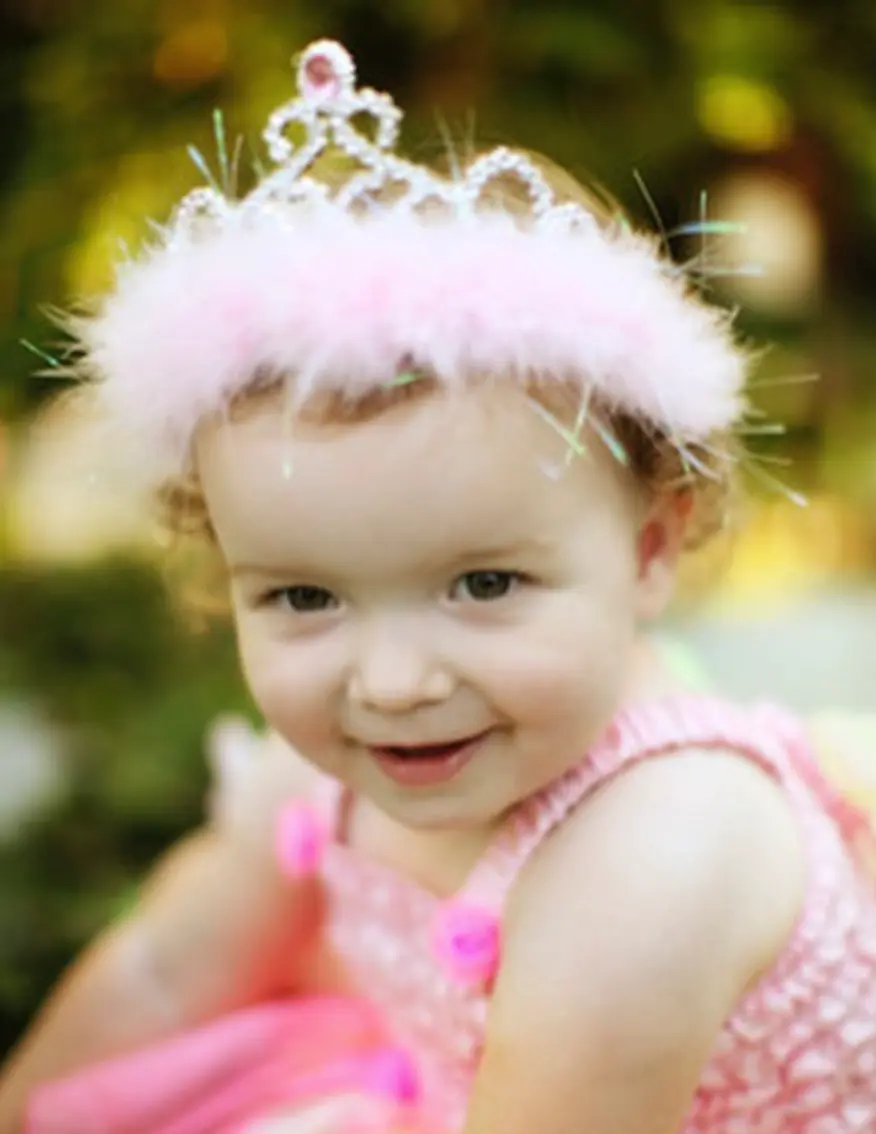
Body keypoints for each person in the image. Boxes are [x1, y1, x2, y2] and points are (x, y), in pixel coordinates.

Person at [3, 36, 875, 1134]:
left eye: (485, 583)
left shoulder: (654, 852)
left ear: (654, 548)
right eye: (305, 599)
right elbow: (166, 972)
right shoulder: (320, 773)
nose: (396, 680)